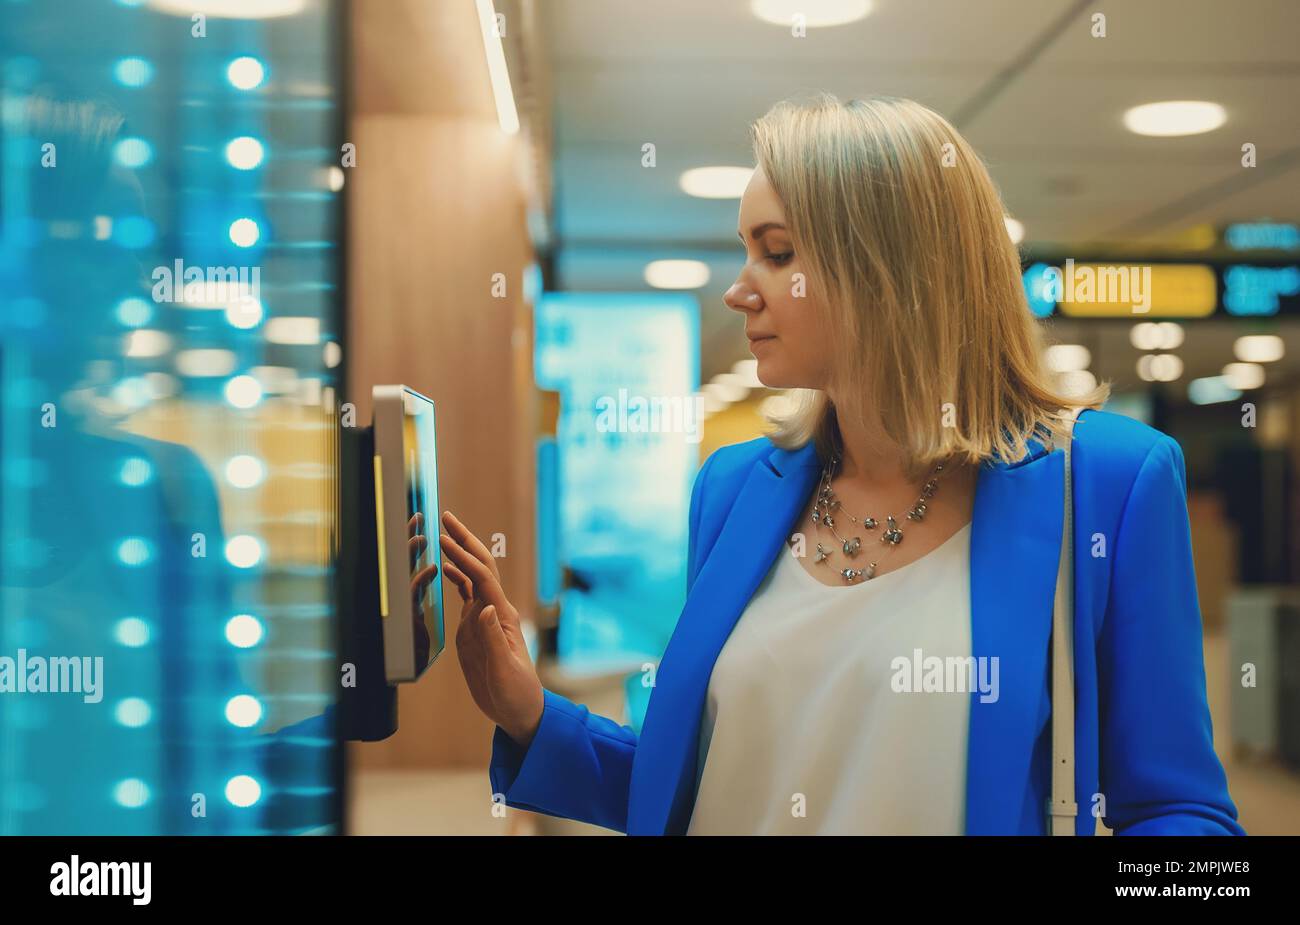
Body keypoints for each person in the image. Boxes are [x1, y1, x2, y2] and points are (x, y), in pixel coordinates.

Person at [437, 93, 1245, 836]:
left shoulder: (1101, 485)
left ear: (891, 270)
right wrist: (532, 713)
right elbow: (688, 783)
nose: (739, 291)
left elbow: (1180, 816)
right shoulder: (735, 489)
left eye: (777, 253)